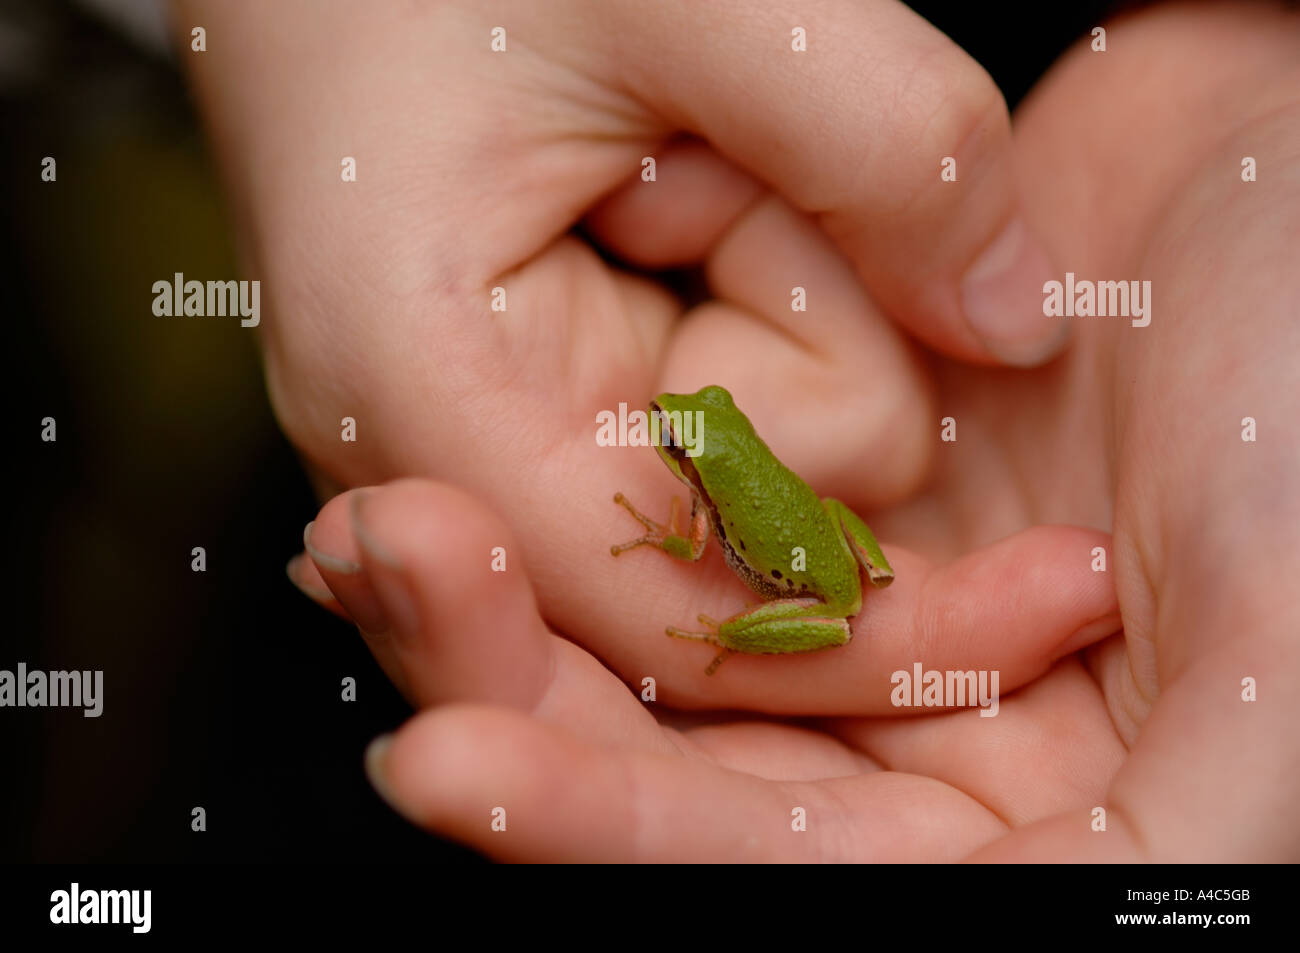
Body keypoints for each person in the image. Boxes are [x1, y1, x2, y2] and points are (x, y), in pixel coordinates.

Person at [178, 0, 1300, 860]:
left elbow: (698, 551)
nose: (674, 435)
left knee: (702, 620)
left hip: (809, 584)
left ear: (698, 454)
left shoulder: (706, 495)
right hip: (823, 533)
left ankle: (741, 642)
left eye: (682, 441)